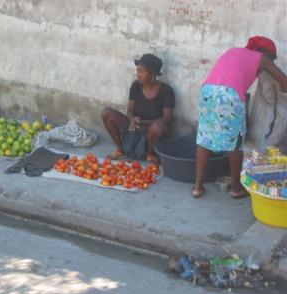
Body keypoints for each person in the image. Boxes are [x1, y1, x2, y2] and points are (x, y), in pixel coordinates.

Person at [192, 36, 287, 199]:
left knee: (205, 139)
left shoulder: (233, 51)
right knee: (235, 143)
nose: (271, 61)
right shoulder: (262, 58)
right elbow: (284, 81)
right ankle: (236, 189)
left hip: (207, 91)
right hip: (229, 96)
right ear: (264, 52)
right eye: (272, 57)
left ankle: (197, 187)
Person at [101, 54, 175, 163]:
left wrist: (143, 122)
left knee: (158, 127)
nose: (138, 75)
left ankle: (150, 154)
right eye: (138, 71)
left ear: (152, 74)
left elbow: (167, 119)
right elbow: (130, 111)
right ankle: (121, 150)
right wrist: (132, 120)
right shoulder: (136, 86)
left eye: (142, 71)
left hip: (151, 131)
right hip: (135, 127)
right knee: (106, 113)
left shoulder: (166, 91)